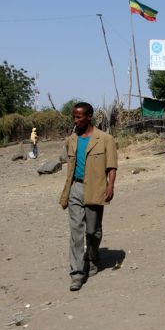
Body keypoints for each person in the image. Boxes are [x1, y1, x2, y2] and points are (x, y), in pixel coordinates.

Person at [59, 102, 117, 291]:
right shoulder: (72, 140)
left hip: (95, 188)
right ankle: (76, 273)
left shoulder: (105, 139)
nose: (75, 120)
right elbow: (67, 161)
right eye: (74, 117)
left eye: (79, 117)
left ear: (89, 116)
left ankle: (93, 257)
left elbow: (111, 166)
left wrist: (110, 185)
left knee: (93, 230)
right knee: (76, 232)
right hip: (75, 187)